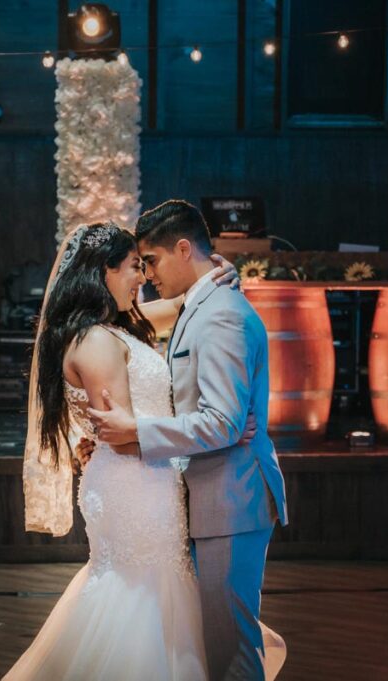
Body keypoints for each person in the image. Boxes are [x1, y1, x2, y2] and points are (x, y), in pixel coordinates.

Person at [4, 221, 273, 681]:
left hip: (149, 478)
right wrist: (222, 430)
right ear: (103, 272)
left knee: (159, 596)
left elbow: (180, 305)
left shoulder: (115, 329)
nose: (142, 277)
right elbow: (126, 435)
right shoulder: (94, 341)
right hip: (136, 485)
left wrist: (216, 275)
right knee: (141, 599)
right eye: (133, 266)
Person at [88, 200, 288, 681]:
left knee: (232, 652)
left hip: (230, 497)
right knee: (213, 645)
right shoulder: (203, 302)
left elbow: (221, 422)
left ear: (183, 249)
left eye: (151, 261)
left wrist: (138, 432)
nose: (148, 274)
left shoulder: (219, 313)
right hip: (212, 494)